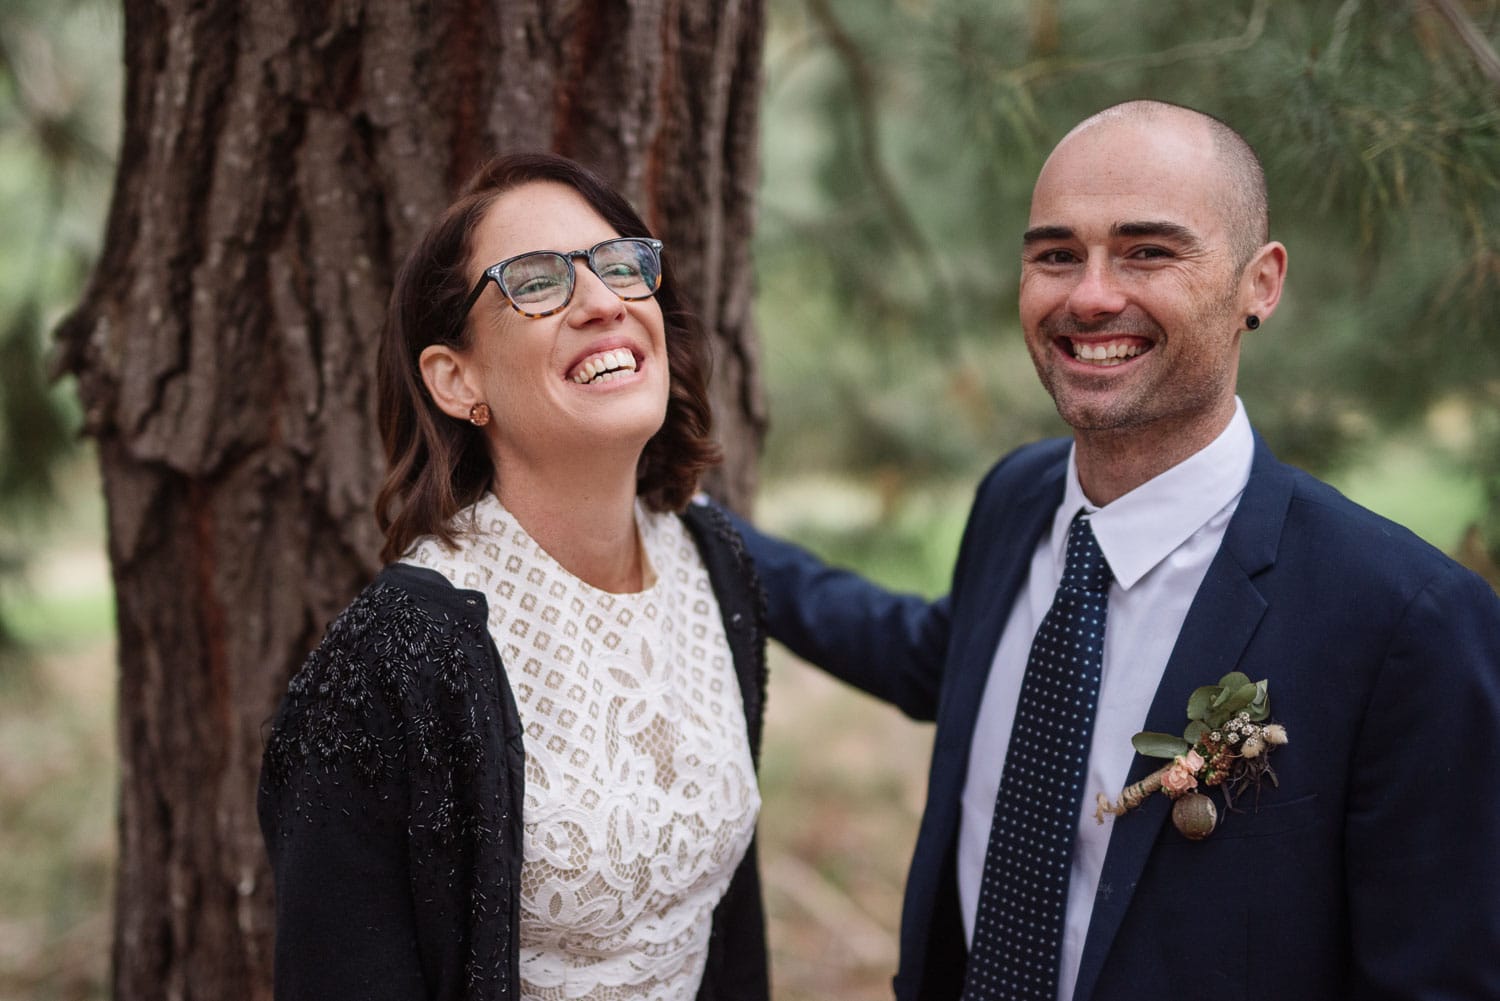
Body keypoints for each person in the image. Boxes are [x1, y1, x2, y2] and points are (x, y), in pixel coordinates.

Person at [734, 100, 1500, 1000]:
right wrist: (712, 535)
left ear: (1262, 282)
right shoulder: (1018, 499)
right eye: (1056, 253)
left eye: (1149, 251)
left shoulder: (1407, 620)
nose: (1090, 294)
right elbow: (932, 657)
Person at [258, 152, 769, 1001]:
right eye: (536, 281)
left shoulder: (713, 564)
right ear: (456, 380)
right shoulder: (391, 660)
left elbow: (730, 932)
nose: (603, 301)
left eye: (619, 264)